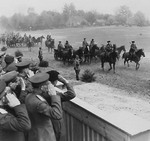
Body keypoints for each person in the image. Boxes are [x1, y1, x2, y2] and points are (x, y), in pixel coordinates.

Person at [25, 72, 63, 141]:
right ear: (42, 87)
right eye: (47, 85)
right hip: (44, 136)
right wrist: (54, 96)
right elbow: (57, 115)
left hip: (34, 133)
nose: (49, 86)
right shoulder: (38, 103)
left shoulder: (29, 96)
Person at [46, 70, 76, 141]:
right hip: (56, 120)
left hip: (46, 121)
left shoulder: (43, 90)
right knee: (60, 136)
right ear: (56, 81)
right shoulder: (53, 93)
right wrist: (65, 81)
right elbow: (72, 94)